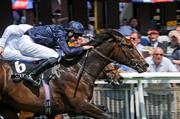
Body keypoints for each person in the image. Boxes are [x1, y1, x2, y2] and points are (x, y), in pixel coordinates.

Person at [0, 21, 94, 84]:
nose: (76, 39)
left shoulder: (61, 34)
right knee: (54, 55)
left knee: (49, 57)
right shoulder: (60, 33)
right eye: (76, 36)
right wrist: (83, 48)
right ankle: (31, 75)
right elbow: (68, 52)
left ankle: (26, 74)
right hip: (23, 44)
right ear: (70, 32)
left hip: (26, 43)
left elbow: (65, 52)